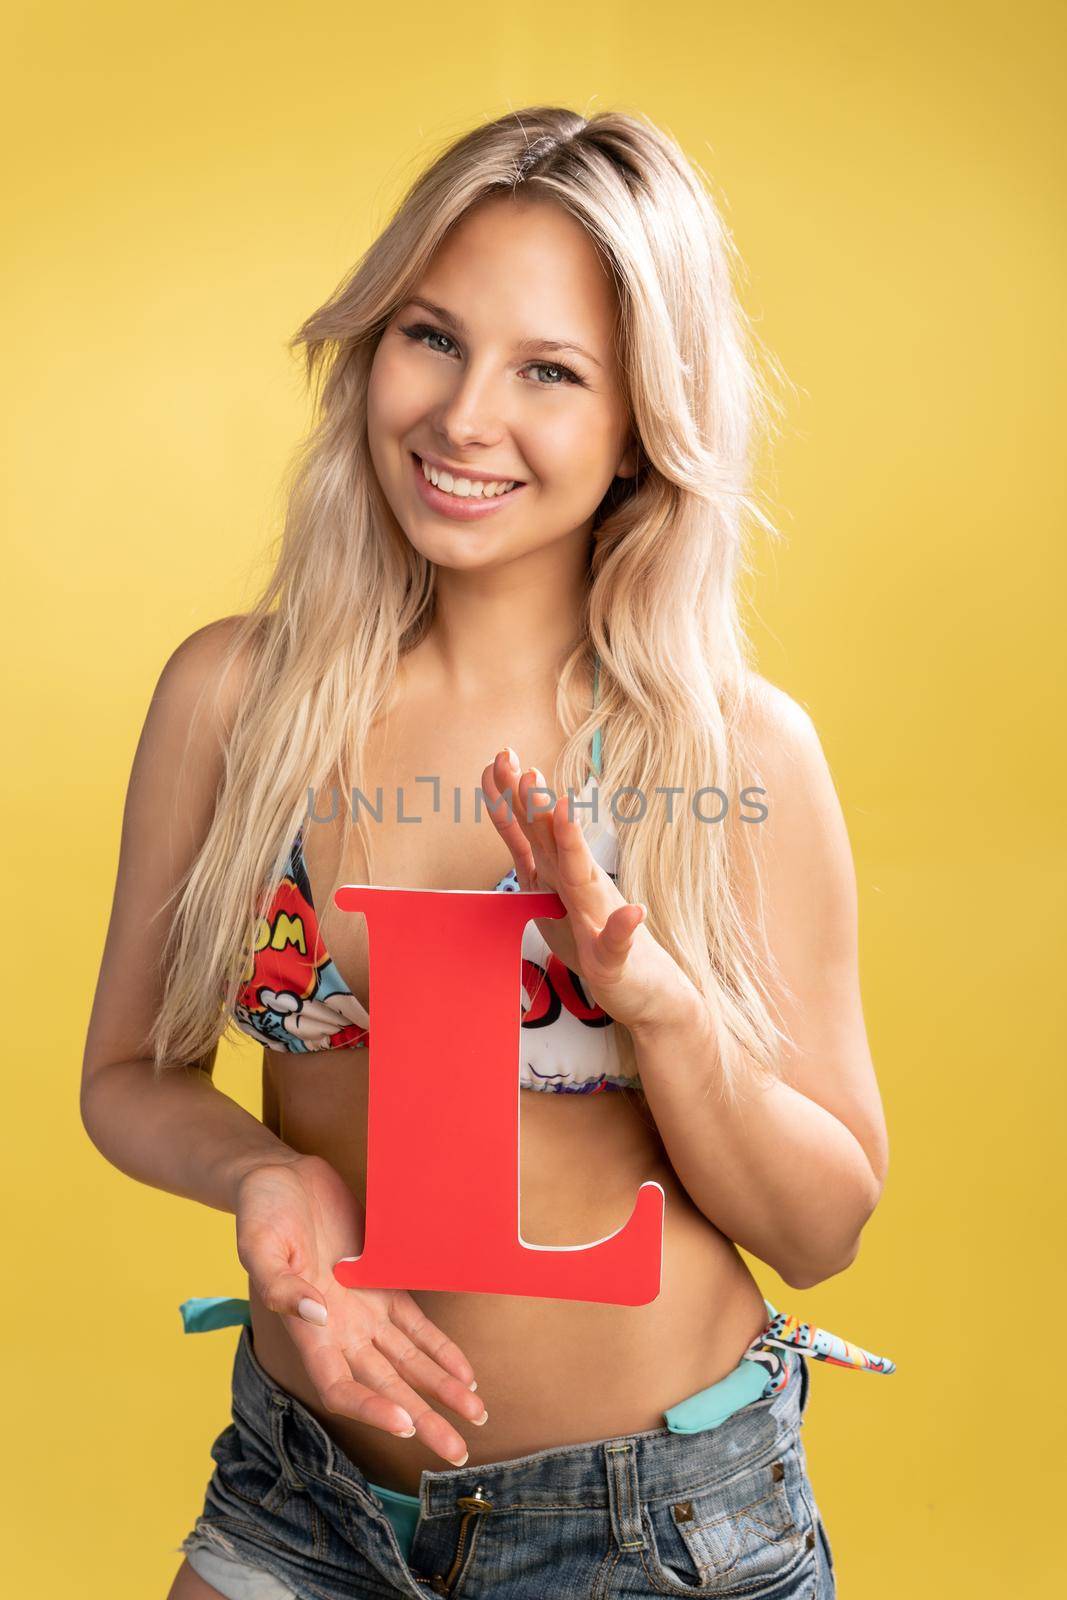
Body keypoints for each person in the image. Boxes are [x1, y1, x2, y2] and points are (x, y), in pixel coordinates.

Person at [81, 104, 894, 1600]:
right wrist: (268, 1178)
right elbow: (126, 1076)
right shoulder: (231, 703)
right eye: (432, 337)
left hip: (660, 1529)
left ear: (643, 421)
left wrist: (655, 1003)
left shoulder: (737, 756)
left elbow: (824, 1225)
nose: (464, 419)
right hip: (300, 1496)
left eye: (551, 373)